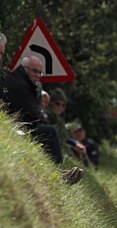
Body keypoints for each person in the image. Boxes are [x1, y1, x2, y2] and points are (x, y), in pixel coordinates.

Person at [0, 55, 82, 184]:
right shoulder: (20, 85)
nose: (38, 75)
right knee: (49, 131)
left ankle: (58, 171)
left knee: (48, 130)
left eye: (40, 72)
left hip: (16, 124)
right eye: (34, 71)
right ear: (24, 68)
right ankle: (58, 174)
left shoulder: (24, 82)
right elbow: (31, 116)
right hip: (15, 126)